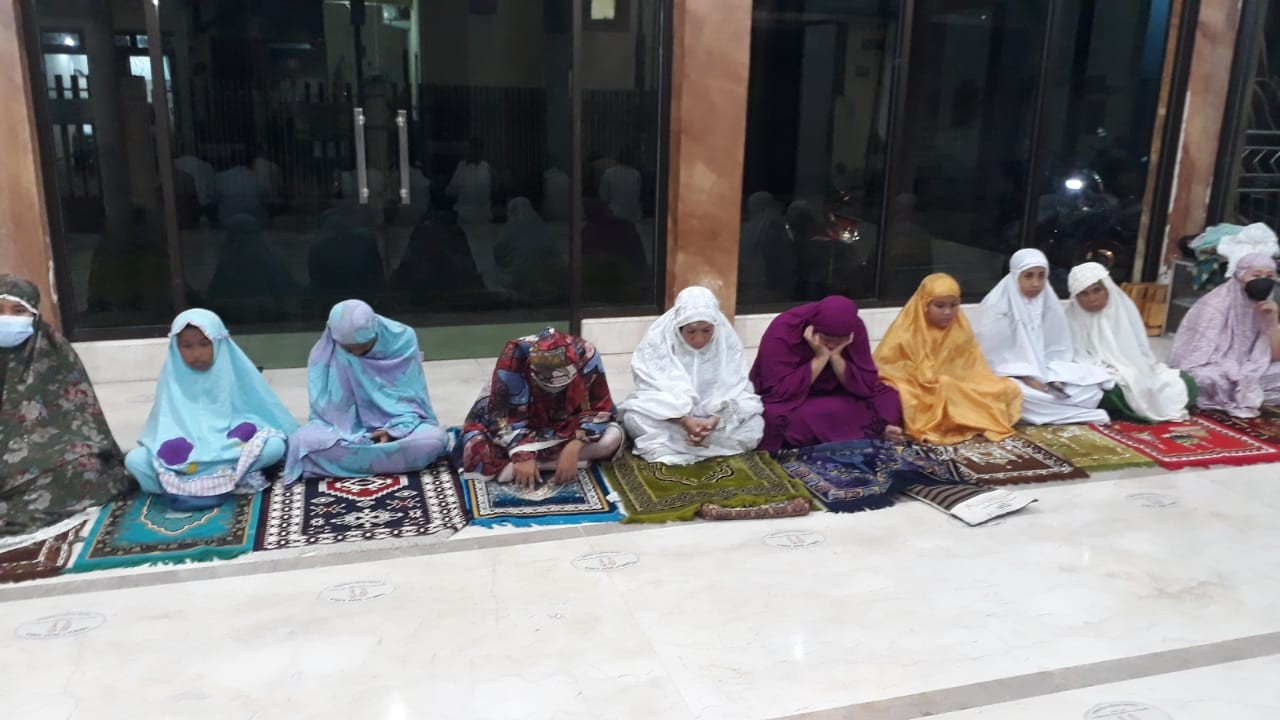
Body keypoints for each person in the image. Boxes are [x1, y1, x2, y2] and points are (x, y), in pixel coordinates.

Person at [127, 309, 297, 510]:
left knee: (274, 446)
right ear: (176, 348)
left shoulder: (235, 370)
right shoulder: (172, 376)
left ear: (219, 342)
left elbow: (260, 412)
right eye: (186, 346)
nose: (196, 354)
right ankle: (224, 483)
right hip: (186, 460)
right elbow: (165, 424)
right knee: (135, 460)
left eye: (204, 344)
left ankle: (187, 487)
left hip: (230, 451)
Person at [0, 275, 131, 536]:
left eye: (17, 311)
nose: (6, 319)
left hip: (44, 454)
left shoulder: (54, 352)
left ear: (34, 315)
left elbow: (82, 421)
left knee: (86, 469)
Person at [285, 300, 448, 482]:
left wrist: (394, 431)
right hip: (346, 434)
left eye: (363, 347)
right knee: (302, 442)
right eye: (348, 349)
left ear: (375, 331)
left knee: (434, 440)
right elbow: (325, 414)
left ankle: (352, 464)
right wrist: (352, 434)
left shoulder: (402, 339)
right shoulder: (325, 352)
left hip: (399, 428)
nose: (355, 353)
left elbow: (411, 398)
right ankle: (385, 461)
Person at [461, 328, 622, 488]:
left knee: (612, 438)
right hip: (519, 428)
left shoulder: (585, 354)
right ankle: (547, 463)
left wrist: (574, 446)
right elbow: (501, 418)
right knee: (476, 447)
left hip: (565, 427)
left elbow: (599, 410)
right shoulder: (514, 356)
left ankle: (542, 463)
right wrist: (523, 453)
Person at [620, 287, 764, 464]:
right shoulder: (659, 342)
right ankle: (695, 447)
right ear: (678, 328)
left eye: (706, 331)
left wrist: (715, 420)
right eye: (691, 331)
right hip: (673, 421)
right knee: (634, 417)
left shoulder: (726, 343)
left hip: (714, 424)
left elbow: (738, 388)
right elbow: (649, 389)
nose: (699, 339)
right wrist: (683, 420)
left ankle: (675, 447)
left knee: (754, 424)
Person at [874, 273, 1022, 444]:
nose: (948, 312)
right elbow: (885, 371)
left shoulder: (960, 328)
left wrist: (948, 383)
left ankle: (958, 418)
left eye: (954, 305)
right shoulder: (905, 331)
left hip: (955, 385)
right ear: (924, 304)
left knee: (1009, 388)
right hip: (917, 388)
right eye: (940, 305)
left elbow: (974, 369)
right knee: (897, 394)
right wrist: (927, 379)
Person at [974, 249, 1113, 425]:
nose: (1036, 283)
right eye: (1029, 276)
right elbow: (992, 359)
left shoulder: (1048, 302)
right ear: (1016, 276)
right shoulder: (996, 306)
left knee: (1090, 389)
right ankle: (1081, 415)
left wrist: (1054, 378)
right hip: (1010, 377)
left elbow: (1056, 349)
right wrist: (1026, 376)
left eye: (1041, 276)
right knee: (1013, 393)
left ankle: (1057, 413)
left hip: (1045, 373)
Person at [749, 295, 904, 451]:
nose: (831, 345)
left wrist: (836, 356)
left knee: (888, 397)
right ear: (813, 328)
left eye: (838, 342)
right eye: (826, 339)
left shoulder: (855, 327)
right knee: (771, 416)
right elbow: (778, 392)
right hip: (796, 398)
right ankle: (868, 431)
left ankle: (869, 431)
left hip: (836, 392)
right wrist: (820, 357)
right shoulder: (784, 328)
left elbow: (866, 384)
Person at [1066, 262, 1194, 422]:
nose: (1092, 299)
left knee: (1185, 381)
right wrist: (1107, 372)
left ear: (1107, 289)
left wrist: (1135, 369)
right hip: (1097, 375)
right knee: (1110, 393)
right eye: (1084, 294)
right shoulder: (1070, 319)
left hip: (1133, 367)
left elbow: (1140, 350)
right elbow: (1076, 359)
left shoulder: (1123, 309)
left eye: (1097, 291)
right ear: (1076, 297)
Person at [1168, 251, 1280, 417]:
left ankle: (1247, 392)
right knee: (1205, 378)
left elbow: (1275, 356)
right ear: (1240, 278)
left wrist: (1272, 321)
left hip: (1251, 367)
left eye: (1269, 276)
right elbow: (1194, 357)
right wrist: (1232, 369)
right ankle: (1244, 393)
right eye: (1256, 275)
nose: (1263, 280)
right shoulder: (1214, 304)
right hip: (1215, 367)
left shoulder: (1267, 305)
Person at [493, 197, 568, 305]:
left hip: (522, 282)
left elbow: (498, 252)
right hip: (551, 284)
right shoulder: (541, 226)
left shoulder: (510, 228)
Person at [446, 138, 493, 224]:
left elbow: (489, 189)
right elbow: (451, 191)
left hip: (481, 217)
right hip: (466, 217)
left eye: (470, 150)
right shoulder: (462, 167)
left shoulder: (486, 167)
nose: (467, 152)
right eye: (467, 150)